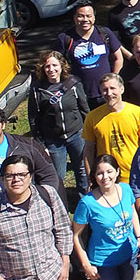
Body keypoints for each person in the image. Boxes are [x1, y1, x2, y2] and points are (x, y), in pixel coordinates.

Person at [28, 51, 90, 195]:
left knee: (81, 169)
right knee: (58, 175)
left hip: (76, 134)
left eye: (55, 65)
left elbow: (85, 109)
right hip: (53, 139)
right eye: (47, 66)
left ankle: (84, 199)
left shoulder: (74, 84)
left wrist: (88, 134)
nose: (51, 70)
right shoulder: (37, 89)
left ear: (62, 66)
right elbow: (33, 117)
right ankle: (60, 201)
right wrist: (41, 143)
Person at [82, 74, 140, 183]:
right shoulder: (92, 117)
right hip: (107, 178)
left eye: (112, 88)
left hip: (135, 175)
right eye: (105, 90)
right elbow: (89, 149)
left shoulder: (138, 113)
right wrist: (90, 176)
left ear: (122, 89)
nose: (109, 93)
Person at [57, 3, 123, 108]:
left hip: (106, 93)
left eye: (89, 16)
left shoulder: (104, 33)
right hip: (80, 94)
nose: (85, 19)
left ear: (94, 17)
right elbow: (58, 64)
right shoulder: (65, 38)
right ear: (74, 18)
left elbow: (118, 58)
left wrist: (114, 78)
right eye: (80, 16)